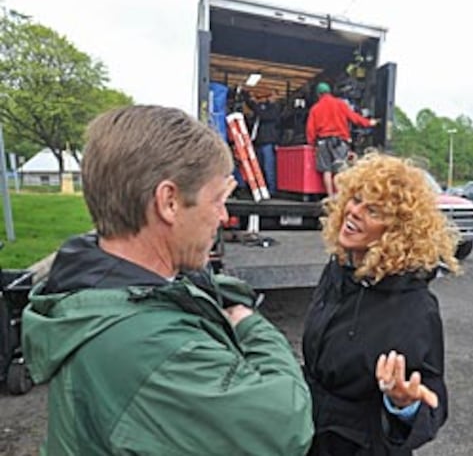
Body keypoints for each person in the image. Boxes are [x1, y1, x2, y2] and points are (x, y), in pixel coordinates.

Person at [22, 105, 313, 455]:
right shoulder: (150, 346)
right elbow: (284, 427)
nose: (223, 216)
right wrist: (252, 327)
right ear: (169, 202)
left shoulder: (90, 280)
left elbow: (177, 289)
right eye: (219, 200)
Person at [302, 152, 458, 455]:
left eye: (372, 210)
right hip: (310, 437)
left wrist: (403, 405)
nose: (354, 211)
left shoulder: (415, 305)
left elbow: (432, 394)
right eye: (355, 198)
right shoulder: (339, 270)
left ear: (397, 233)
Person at [306, 81, 378, 197]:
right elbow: (354, 118)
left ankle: (330, 197)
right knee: (341, 169)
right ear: (329, 91)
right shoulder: (340, 104)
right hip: (339, 142)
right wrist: (369, 122)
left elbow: (310, 129)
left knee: (327, 171)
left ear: (318, 94)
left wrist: (312, 143)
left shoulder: (315, 108)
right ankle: (341, 196)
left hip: (322, 142)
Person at [253, 91, 282, 192]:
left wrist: (254, 104)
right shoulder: (265, 107)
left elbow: (264, 116)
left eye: (272, 95)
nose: (269, 98)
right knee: (261, 167)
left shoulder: (275, 109)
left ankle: (272, 189)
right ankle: (263, 187)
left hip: (268, 141)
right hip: (261, 141)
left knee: (268, 167)